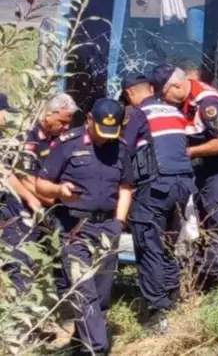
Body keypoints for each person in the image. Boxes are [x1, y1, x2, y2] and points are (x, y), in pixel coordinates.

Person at [35, 98, 134, 356]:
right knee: (84, 290)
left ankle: (81, 345)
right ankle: (98, 349)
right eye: (101, 132)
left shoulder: (120, 147)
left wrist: (119, 222)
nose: (105, 139)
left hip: (107, 229)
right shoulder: (67, 144)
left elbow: (125, 187)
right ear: (90, 120)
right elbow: (41, 185)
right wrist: (59, 190)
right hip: (74, 229)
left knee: (100, 297)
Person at [151, 64, 218, 293]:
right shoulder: (185, 100)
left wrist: (190, 153)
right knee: (202, 226)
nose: (166, 100)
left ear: (177, 86)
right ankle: (202, 287)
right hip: (206, 172)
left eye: (165, 94)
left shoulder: (206, 103)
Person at [120, 72, 195, 332]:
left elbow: (124, 151)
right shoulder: (174, 111)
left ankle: (157, 312)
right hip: (183, 187)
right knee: (168, 244)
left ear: (129, 94)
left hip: (155, 188)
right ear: (152, 88)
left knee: (148, 244)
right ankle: (172, 298)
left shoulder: (139, 115)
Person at [2, 93, 78, 299]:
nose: (65, 127)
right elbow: (13, 173)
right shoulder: (25, 134)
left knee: (64, 260)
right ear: (47, 115)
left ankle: (65, 310)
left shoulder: (63, 140)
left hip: (53, 209)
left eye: (68, 123)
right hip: (20, 210)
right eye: (62, 121)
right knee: (21, 264)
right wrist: (36, 198)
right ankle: (22, 323)